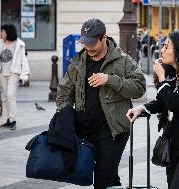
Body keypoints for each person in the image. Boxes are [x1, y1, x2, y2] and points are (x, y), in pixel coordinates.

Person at [56, 18, 146, 189]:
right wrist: (65, 114)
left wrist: (110, 80)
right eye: (85, 43)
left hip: (114, 131)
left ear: (104, 38)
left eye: (92, 43)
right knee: (110, 178)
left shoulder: (123, 60)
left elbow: (139, 88)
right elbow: (63, 93)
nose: (88, 48)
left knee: (102, 179)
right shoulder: (77, 63)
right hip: (86, 130)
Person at [126, 31, 179, 189]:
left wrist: (162, 79)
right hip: (173, 143)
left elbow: (175, 103)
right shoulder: (173, 75)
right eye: (163, 46)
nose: (162, 50)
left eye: (167, 46)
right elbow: (162, 102)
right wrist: (143, 107)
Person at [0, 24, 29, 130]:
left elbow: (24, 60)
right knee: (6, 97)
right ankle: (9, 119)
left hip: (14, 73)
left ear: (8, 32)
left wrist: (24, 75)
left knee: (10, 95)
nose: (1, 33)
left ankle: (13, 120)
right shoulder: (0, 43)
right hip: (2, 73)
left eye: (2, 31)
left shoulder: (19, 44)